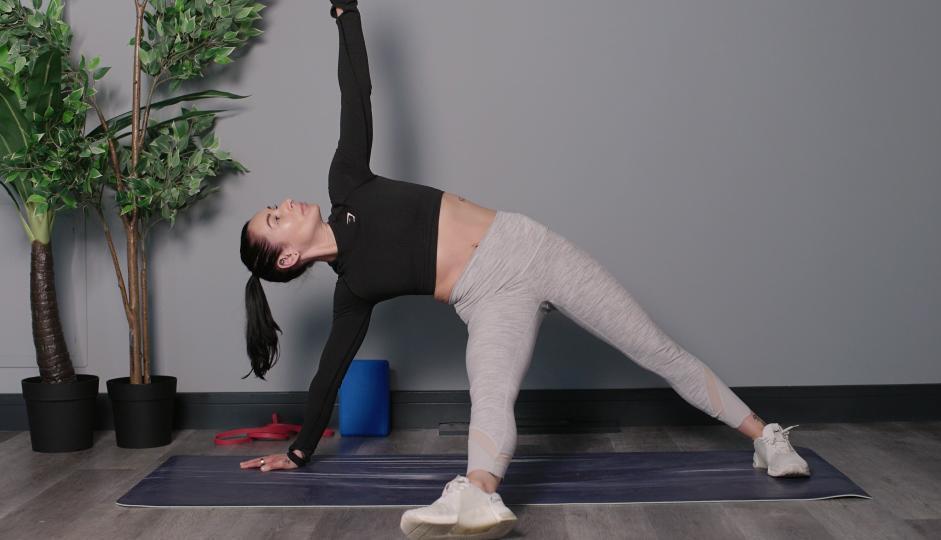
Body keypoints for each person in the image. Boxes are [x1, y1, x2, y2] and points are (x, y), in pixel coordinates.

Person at [238, 2, 811, 539]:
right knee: (488, 393)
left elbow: (355, 93)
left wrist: (345, 10)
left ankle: (767, 437)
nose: (283, 204)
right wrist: (298, 451)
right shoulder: (354, 290)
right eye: (273, 218)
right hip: (487, 299)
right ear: (287, 257)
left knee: (656, 349)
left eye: (274, 206)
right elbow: (327, 374)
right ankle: (477, 494)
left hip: (531, 248)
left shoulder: (347, 183)